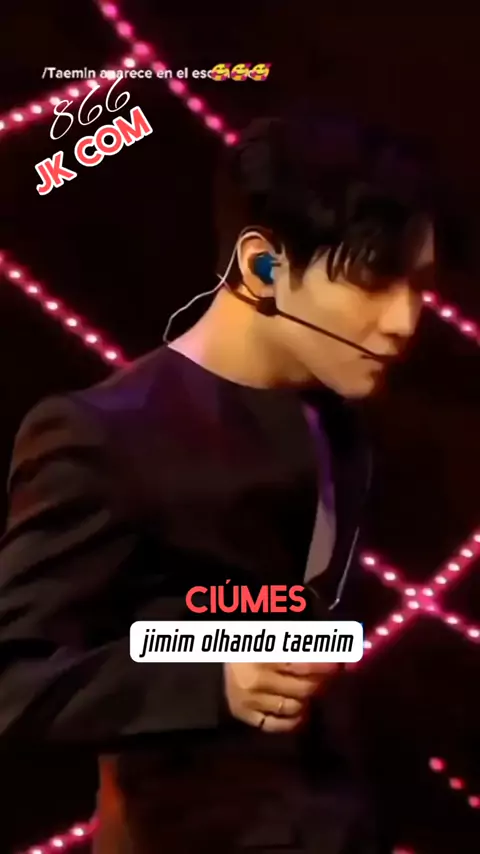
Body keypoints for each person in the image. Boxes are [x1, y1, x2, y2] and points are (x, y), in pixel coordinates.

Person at [0, 107, 436, 853]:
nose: (405, 320)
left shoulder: (341, 420)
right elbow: (13, 681)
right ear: (263, 267)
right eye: (373, 279)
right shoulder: (101, 434)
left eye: (419, 285)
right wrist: (214, 680)